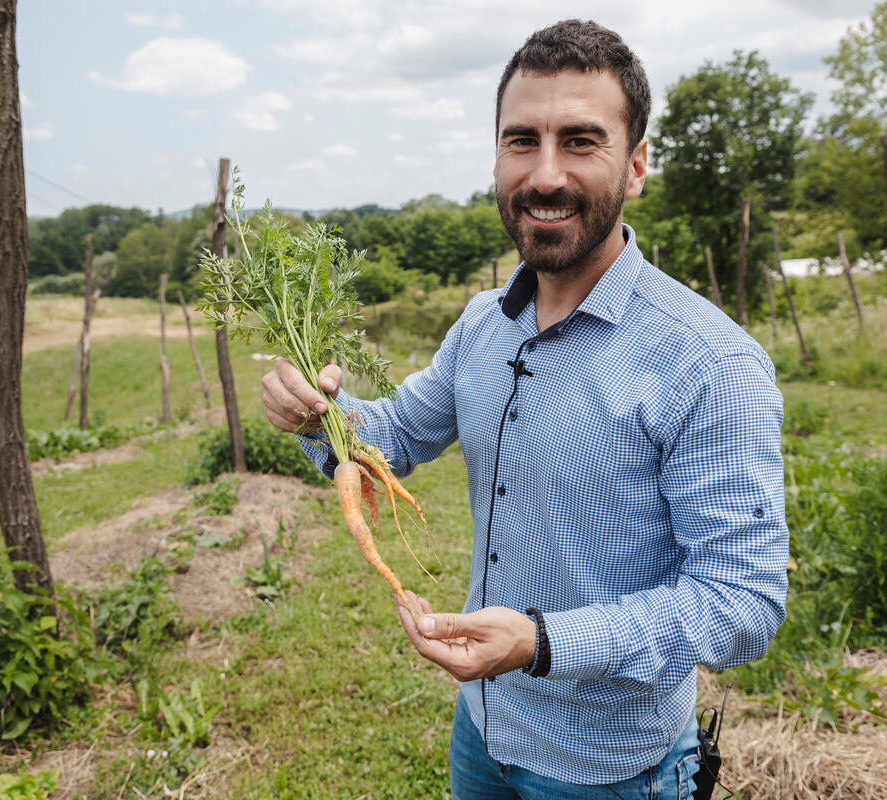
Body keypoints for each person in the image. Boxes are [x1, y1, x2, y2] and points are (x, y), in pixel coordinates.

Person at [262, 19, 788, 800]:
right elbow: (399, 436)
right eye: (521, 141)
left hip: (611, 771)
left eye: (580, 141)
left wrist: (543, 642)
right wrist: (319, 415)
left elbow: (743, 603)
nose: (545, 175)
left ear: (636, 165)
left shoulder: (709, 364)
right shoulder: (482, 323)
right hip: (482, 730)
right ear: (498, 158)